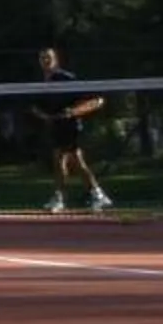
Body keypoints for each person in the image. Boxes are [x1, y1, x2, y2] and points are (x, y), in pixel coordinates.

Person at [34, 46, 112, 213]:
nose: (45, 61)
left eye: (48, 57)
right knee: (67, 161)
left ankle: (66, 197)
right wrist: (44, 116)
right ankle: (94, 194)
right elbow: (38, 106)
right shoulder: (43, 82)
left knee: (64, 159)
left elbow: (95, 100)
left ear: (55, 60)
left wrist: (72, 112)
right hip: (57, 125)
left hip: (70, 125)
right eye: (42, 58)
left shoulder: (66, 79)